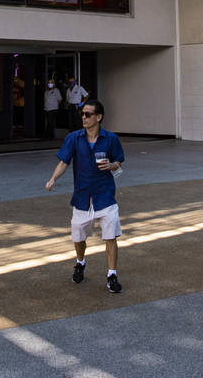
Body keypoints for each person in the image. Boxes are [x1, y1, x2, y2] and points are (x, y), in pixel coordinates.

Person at [45, 98, 125, 293]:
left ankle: (112, 274)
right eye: (82, 114)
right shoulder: (74, 138)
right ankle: (80, 262)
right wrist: (53, 178)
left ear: (99, 117)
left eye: (88, 114)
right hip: (82, 196)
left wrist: (111, 165)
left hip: (105, 194)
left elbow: (119, 162)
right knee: (79, 235)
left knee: (111, 236)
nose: (84, 117)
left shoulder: (111, 139)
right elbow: (64, 161)